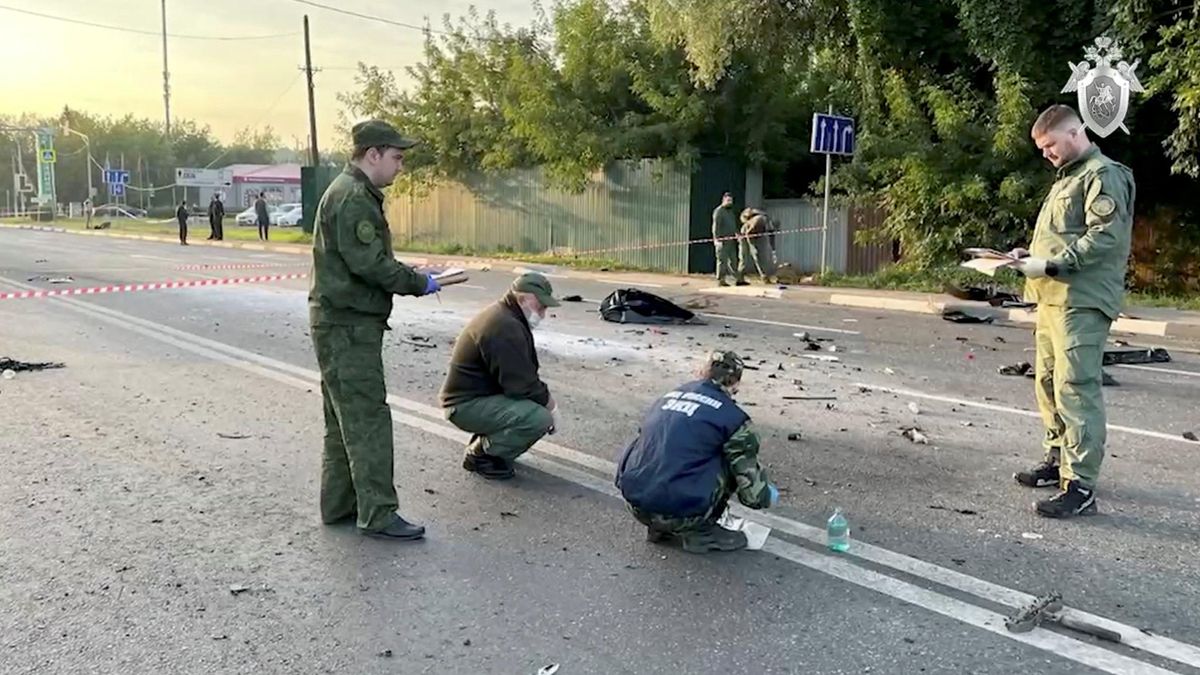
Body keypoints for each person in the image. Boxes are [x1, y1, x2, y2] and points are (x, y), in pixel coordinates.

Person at [308, 119, 441, 541]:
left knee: (342, 420)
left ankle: (340, 506)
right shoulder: (353, 199)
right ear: (373, 155)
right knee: (367, 420)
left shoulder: (348, 192)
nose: (400, 166)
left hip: (337, 322)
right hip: (349, 326)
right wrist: (419, 282)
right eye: (397, 157)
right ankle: (378, 513)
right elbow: (370, 265)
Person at [1009, 104, 1136, 519]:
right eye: (1041, 148)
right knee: (1047, 382)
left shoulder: (1103, 175)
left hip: (1081, 300)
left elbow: (1105, 237)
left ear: (1075, 132)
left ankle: (1080, 486)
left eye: (1049, 145)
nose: (1046, 154)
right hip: (1052, 298)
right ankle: (1057, 459)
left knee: (1075, 387)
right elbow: (1061, 238)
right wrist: (1030, 257)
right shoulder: (1069, 178)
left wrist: (1053, 263)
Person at [615, 350, 779, 553]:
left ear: (701, 372)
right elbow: (753, 496)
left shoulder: (664, 399)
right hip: (684, 515)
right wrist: (766, 494)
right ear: (735, 384)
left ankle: (658, 528)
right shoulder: (734, 419)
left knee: (663, 445)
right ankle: (701, 532)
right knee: (731, 457)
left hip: (638, 507)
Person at [439, 272, 560, 480]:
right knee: (538, 418)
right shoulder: (505, 326)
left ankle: (490, 440)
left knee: (534, 406)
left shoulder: (507, 315)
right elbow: (523, 386)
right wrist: (552, 408)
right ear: (522, 298)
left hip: (475, 397)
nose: (543, 313)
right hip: (464, 405)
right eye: (541, 306)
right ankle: (482, 455)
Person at [711, 192, 745, 287]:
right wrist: (716, 239)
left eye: (731, 201)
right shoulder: (718, 211)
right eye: (728, 200)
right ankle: (721, 280)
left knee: (733, 260)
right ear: (723, 200)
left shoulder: (730, 212)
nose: (730, 202)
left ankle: (738, 279)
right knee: (722, 261)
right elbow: (715, 227)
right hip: (722, 241)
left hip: (731, 240)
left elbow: (733, 225)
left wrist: (737, 234)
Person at [739, 207, 778, 284]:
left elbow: (771, 236)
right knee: (746, 257)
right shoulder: (760, 220)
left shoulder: (768, 225)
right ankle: (740, 277)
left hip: (754, 234)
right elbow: (749, 232)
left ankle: (764, 276)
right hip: (746, 234)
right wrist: (752, 245)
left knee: (759, 257)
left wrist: (773, 250)